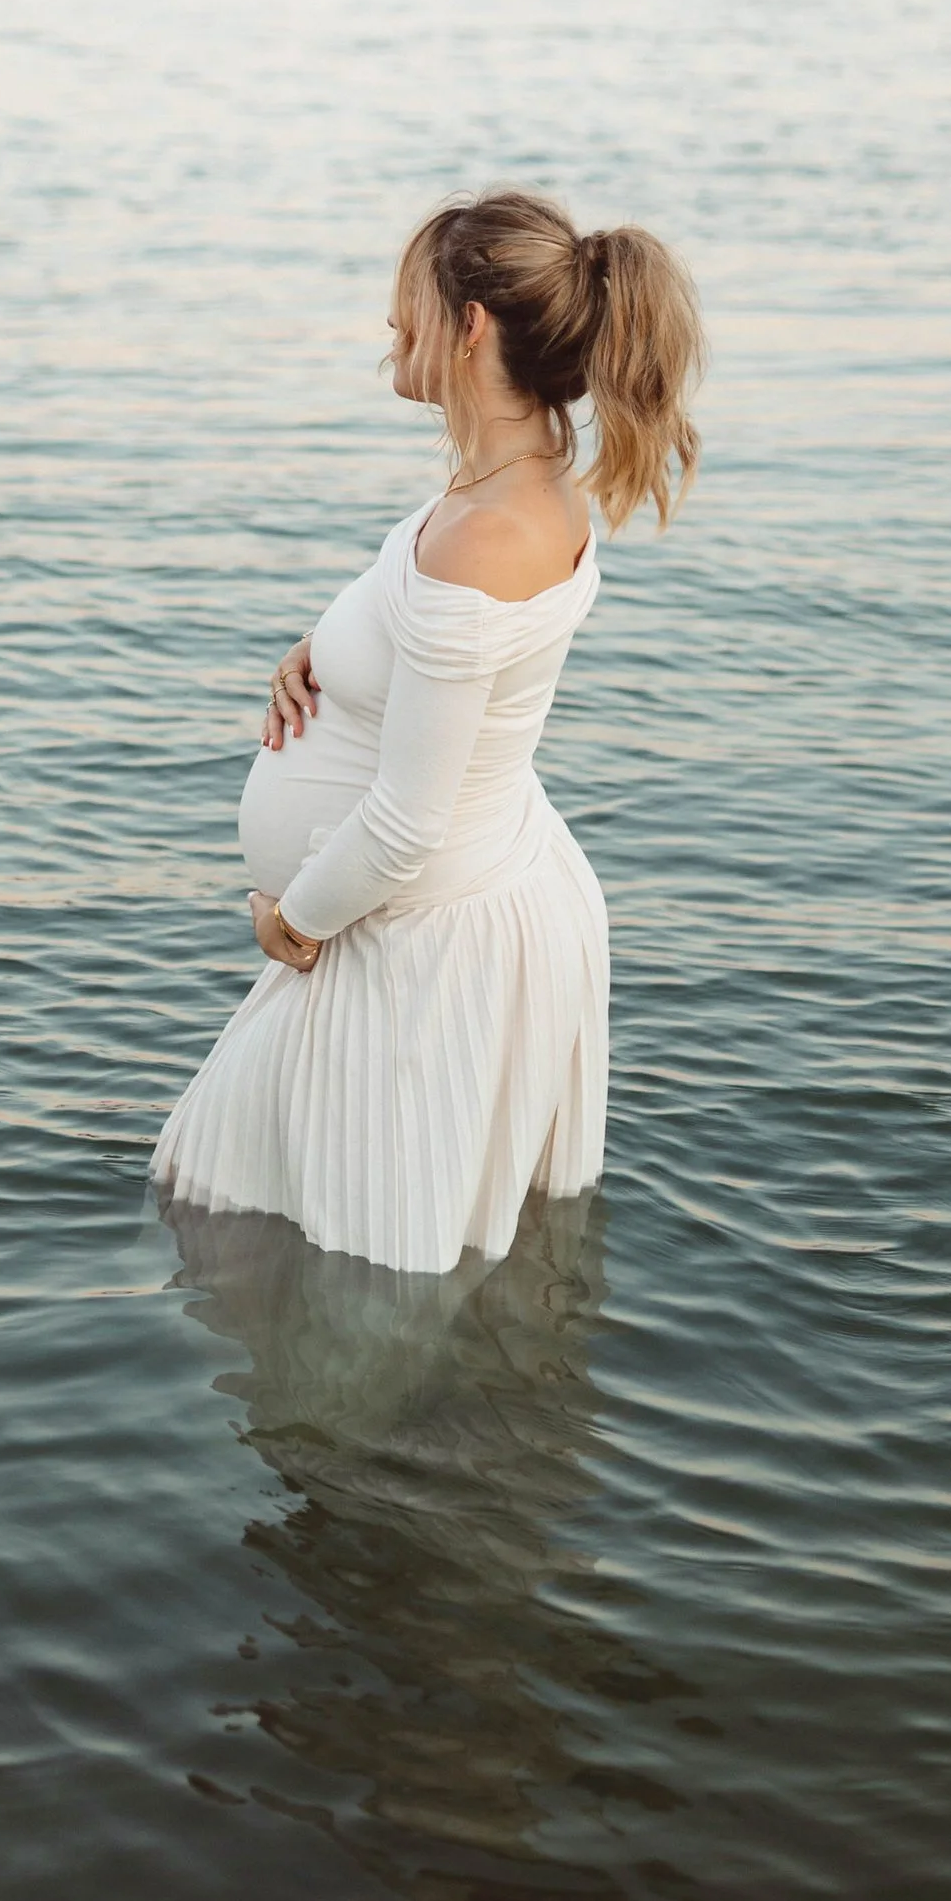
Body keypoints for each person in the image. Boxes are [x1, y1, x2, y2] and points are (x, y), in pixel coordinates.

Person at [153, 189, 705, 1277]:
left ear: (469, 326)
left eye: (407, 305)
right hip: (428, 901)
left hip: (410, 935)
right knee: (313, 1250)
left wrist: (289, 922)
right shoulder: (503, 479)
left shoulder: (492, 531)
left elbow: (406, 821)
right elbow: (428, 638)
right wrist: (322, 647)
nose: (387, 329)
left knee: (354, 1281)